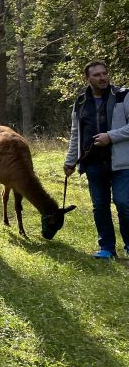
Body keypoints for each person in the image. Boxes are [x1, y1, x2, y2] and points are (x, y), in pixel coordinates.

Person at [64, 60, 129, 259]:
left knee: (123, 203)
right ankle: (107, 248)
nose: (102, 78)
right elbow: (76, 134)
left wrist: (110, 136)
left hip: (121, 162)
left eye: (104, 73)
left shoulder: (123, 96)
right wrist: (70, 161)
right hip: (92, 163)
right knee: (100, 206)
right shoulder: (80, 102)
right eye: (97, 75)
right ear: (88, 78)